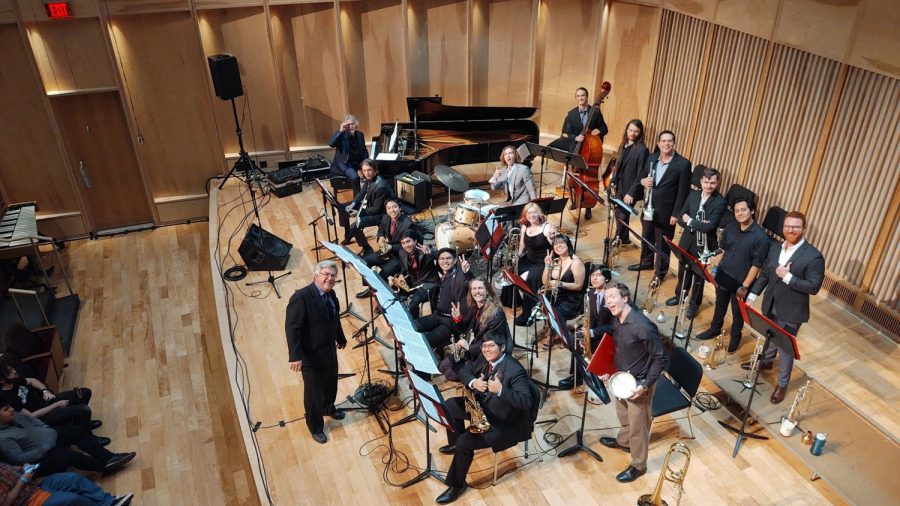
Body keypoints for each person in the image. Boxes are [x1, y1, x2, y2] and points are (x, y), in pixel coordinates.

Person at [435, 332, 537, 504]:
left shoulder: (515, 370)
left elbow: (526, 401)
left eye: (491, 346)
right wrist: (474, 382)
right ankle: (455, 444)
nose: (486, 349)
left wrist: (502, 391)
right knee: (451, 406)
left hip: (505, 424)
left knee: (465, 442)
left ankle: (457, 485)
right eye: (484, 346)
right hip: (486, 408)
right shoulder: (485, 359)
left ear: (502, 348)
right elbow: (464, 370)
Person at [746, 212, 825, 404]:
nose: (791, 230)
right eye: (788, 226)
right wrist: (752, 295)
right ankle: (766, 361)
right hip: (771, 302)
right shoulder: (775, 248)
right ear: (783, 228)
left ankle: (782, 385)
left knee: (786, 349)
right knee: (770, 334)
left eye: (796, 227)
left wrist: (787, 277)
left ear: (804, 229)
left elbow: (813, 287)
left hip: (792, 310)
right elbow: (765, 274)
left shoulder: (814, 256)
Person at [599, 282, 667, 483]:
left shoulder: (642, 326)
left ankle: (639, 465)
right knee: (623, 416)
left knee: (639, 428)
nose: (608, 301)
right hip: (621, 379)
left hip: (638, 384)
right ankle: (624, 442)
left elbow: (661, 358)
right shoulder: (617, 320)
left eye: (612, 296)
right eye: (606, 298)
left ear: (625, 298)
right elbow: (620, 350)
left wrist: (645, 384)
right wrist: (608, 370)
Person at [285, 260, 348, 444]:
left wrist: (340, 336)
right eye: (326, 274)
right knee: (313, 393)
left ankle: (328, 408)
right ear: (316, 275)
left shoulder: (331, 294)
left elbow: (334, 318)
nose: (330, 278)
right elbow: (292, 328)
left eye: (333, 276)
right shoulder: (301, 297)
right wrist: (295, 356)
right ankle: (315, 426)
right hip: (309, 355)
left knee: (330, 383)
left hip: (328, 349)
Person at [694, 198, 769, 352]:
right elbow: (723, 250)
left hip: (741, 282)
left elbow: (756, 265)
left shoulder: (760, 237)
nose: (740, 213)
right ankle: (715, 328)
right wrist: (715, 269)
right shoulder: (731, 226)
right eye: (736, 210)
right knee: (720, 305)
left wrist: (745, 286)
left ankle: (735, 337)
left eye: (743, 209)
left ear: (752, 211)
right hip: (724, 274)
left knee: (737, 314)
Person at [0, 401, 136, 477]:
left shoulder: (14, 415)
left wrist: (46, 429)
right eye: (6, 409)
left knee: (75, 431)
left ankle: (110, 457)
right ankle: (104, 467)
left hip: (51, 435)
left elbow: (33, 420)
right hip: (43, 456)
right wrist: (43, 448)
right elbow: (19, 459)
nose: (12, 409)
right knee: (70, 456)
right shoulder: (3, 439)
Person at [628, 130, 692, 281]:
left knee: (663, 244)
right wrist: (643, 181)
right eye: (663, 141)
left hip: (667, 211)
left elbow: (683, 192)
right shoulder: (652, 158)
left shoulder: (683, 164)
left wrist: (676, 214)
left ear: (674, 143)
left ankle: (660, 273)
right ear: (658, 143)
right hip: (649, 208)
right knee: (647, 237)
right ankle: (647, 262)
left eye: (669, 141)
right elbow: (642, 176)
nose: (666, 144)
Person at [665, 167, 726, 319]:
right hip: (687, 241)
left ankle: (694, 304)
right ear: (701, 181)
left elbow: (710, 227)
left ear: (717, 183)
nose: (709, 186)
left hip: (704, 245)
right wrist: (697, 224)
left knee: (699, 278)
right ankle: (680, 296)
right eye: (706, 182)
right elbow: (680, 217)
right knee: (683, 272)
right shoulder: (693, 195)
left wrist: (691, 220)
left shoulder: (720, 202)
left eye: (712, 183)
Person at [0, 362, 104, 444]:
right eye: (9, 372)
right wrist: (56, 404)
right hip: (43, 417)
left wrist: (45, 391)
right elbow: (32, 416)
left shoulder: (15, 380)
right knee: (83, 410)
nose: (14, 371)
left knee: (85, 392)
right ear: (1, 380)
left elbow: (31, 381)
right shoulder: (7, 398)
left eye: (12, 369)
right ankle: (89, 438)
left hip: (46, 402)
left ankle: (83, 425)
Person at [440, 279, 509, 382]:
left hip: (488, 353)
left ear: (487, 291)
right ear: (471, 292)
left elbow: (491, 342)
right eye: (474, 288)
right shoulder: (475, 308)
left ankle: (477, 378)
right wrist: (457, 318)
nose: (477, 291)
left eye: (480, 288)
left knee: (449, 372)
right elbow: (463, 328)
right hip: (477, 348)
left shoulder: (496, 314)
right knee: (443, 366)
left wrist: (469, 347)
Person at [559, 264, 614, 390]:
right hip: (596, 333)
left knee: (579, 342)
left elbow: (614, 326)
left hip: (609, 337)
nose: (594, 278)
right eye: (593, 275)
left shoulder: (611, 297)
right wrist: (585, 332)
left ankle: (588, 376)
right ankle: (577, 376)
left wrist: (592, 332)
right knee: (576, 341)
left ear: (607, 279)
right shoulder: (591, 295)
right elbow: (591, 318)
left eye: (598, 275)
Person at [414, 248, 472, 352]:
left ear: (455, 261)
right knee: (412, 325)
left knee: (424, 341)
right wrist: (431, 252)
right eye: (442, 259)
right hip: (437, 316)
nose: (445, 261)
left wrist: (467, 273)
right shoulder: (445, 274)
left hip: (449, 323)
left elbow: (468, 283)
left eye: (448, 258)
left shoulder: (459, 275)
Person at [0, 461, 133, 505]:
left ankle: (109, 502)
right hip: (27, 501)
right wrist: (23, 479)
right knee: (72, 499)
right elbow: (5, 503)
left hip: (34, 485)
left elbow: (9, 470)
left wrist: (20, 468)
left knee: (73, 478)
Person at [356, 199, 412, 298]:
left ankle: (383, 297)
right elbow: (381, 228)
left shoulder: (408, 224)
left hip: (400, 256)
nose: (392, 210)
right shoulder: (386, 217)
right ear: (386, 210)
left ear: (400, 208)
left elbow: (408, 245)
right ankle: (371, 288)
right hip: (387, 251)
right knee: (365, 261)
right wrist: (381, 236)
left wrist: (391, 247)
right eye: (389, 208)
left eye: (394, 207)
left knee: (382, 274)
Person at [513, 203, 557, 327]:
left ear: (539, 214)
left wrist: (551, 238)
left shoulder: (547, 227)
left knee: (527, 279)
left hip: (543, 262)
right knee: (512, 272)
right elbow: (522, 245)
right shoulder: (525, 227)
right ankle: (518, 303)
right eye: (529, 213)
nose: (531, 215)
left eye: (534, 212)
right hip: (529, 259)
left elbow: (553, 244)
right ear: (525, 216)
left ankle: (529, 312)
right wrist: (517, 256)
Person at [540, 234, 584, 352]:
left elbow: (579, 286)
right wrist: (547, 265)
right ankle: (554, 329)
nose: (558, 246)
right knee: (541, 300)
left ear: (568, 244)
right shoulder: (555, 260)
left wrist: (560, 284)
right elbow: (545, 281)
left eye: (561, 243)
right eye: (555, 244)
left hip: (571, 299)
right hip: (557, 295)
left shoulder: (576, 262)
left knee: (556, 311)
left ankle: (559, 335)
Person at [611, 119, 649, 245]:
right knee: (618, 213)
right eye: (630, 130)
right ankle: (625, 238)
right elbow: (618, 166)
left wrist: (631, 193)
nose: (632, 133)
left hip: (631, 188)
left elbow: (641, 174)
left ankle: (617, 240)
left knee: (622, 214)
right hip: (620, 185)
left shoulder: (642, 150)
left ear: (640, 133)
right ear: (627, 130)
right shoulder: (623, 145)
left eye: (636, 131)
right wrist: (612, 182)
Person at [342, 159, 393, 248]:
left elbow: (376, 209)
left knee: (354, 226)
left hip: (380, 215)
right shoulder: (370, 178)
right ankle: (348, 236)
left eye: (369, 170)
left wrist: (358, 213)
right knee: (344, 209)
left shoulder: (381, 187)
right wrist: (353, 204)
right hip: (371, 206)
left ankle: (366, 248)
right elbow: (362, 192)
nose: (367, 173)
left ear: (375, 170)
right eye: (364, 170)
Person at [390, 230, 439, 319]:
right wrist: (400, 275)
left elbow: (442, 255)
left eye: (408, 241)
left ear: (415, 241)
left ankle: (415, 323)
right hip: (414, 283)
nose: (406, 245)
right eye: (403, 243)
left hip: (429, 283)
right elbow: (404, 269)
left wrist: (431, 253)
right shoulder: (402, 252)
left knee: (412, 305)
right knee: (394, 297)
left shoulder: (426, 249)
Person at [549, 87, 609, 153]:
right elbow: (569, 133)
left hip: (591, 147)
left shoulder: (595, 112)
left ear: (587, 97)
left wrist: (599, 130)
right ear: (576, 98)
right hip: (576, 145)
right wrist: (576, 138)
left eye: (583, 95)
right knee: (573, 160)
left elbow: (605, 129)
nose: (580, 98)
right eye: (578, 96)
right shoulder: (571, 114)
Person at [328, 114, 369, 194]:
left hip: (358, 162)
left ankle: (369, 195)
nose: (350, 126)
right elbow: (331, 144)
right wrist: (340, 131)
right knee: (355, 177)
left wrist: (367, 162)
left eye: (352, 124)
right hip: (346, 164)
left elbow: (364, 150)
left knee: (372, 172)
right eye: (348, 125)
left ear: (356, 124)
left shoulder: (360, 135)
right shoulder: (341, 135)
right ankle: (357, 201)